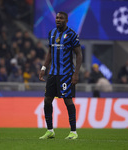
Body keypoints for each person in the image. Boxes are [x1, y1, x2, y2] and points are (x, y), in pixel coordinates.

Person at [39, 12, 82, 140]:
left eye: (61, 18)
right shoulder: (51, 33)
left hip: (66, 74)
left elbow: (79, 54)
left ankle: (73, 131)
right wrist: (44, 68)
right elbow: (50, 52)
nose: (58, 20)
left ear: (66, 20)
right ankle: (50, 130)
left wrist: (76, 73)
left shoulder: (72, 35)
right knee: (47, 100)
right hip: (53, 73)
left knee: (67, 100)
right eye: (57, 18)